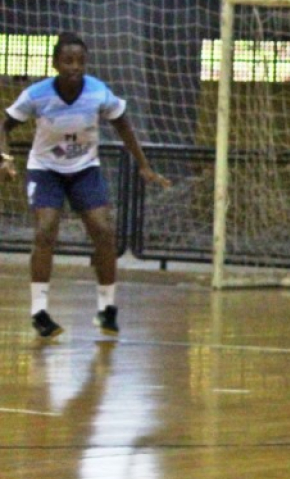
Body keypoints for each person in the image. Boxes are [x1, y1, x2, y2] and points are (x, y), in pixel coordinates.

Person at [0, 32, 171, 339]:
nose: (75, 66)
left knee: (104, 232)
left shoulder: (98, 92)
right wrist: (5, 157)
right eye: (68, 60)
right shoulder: (37, 95)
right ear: (55, 63)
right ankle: (39, 311)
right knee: (45, 231)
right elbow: (4, 124)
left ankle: (107, 309)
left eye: (80, 60)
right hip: (46, 171)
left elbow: (123, 125)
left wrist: (143, 164)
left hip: (84, 170)